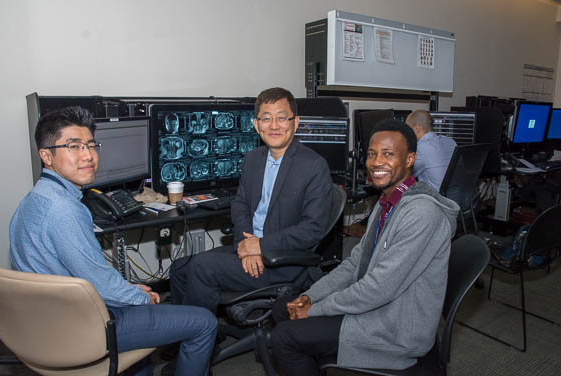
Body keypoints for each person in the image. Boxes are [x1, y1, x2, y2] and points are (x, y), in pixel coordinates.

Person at [9, 106, 217, 376]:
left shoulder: (35, 198)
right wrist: (140, 298)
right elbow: (99, 283)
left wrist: (127, 289)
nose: (88, 156)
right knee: (204, 322)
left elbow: (87, 276)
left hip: (42, 321)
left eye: (91, 145)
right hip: (78, 328)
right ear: (46, 155)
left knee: (137, 307)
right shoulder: (64, 210)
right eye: (73, 146)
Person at [270, 119, 460, 375]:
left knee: (284, 337)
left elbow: (379, 289)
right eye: (372, 154)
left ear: (410, 159)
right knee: (284, 307)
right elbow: (354, 264)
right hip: (380, 307)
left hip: (397, 327)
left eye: (388, 154)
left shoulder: (422, 213)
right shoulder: (388, 201)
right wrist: (311, 296)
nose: (376, 162)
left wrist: (316, 309)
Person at [170, 87, 333, 312]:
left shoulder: (314, 166)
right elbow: (241, 205)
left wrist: (260, 246)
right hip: (251, 247)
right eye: (266, 118)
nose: (274, 126)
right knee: (179, 267)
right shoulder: (252, 159)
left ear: (295, 122)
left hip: (282, 261)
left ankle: (198, 339)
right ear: (256, 125)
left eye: (281, 118)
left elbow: (312, 229)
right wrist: (244, 245)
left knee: (202, 267)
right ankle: (185, 336)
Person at [405, 109, 457, 191]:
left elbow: (404, 175)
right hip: (456, 199)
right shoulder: (450, 142)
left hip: (436, 201)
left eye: (408, 129)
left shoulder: (420, 148)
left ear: (417, 129)